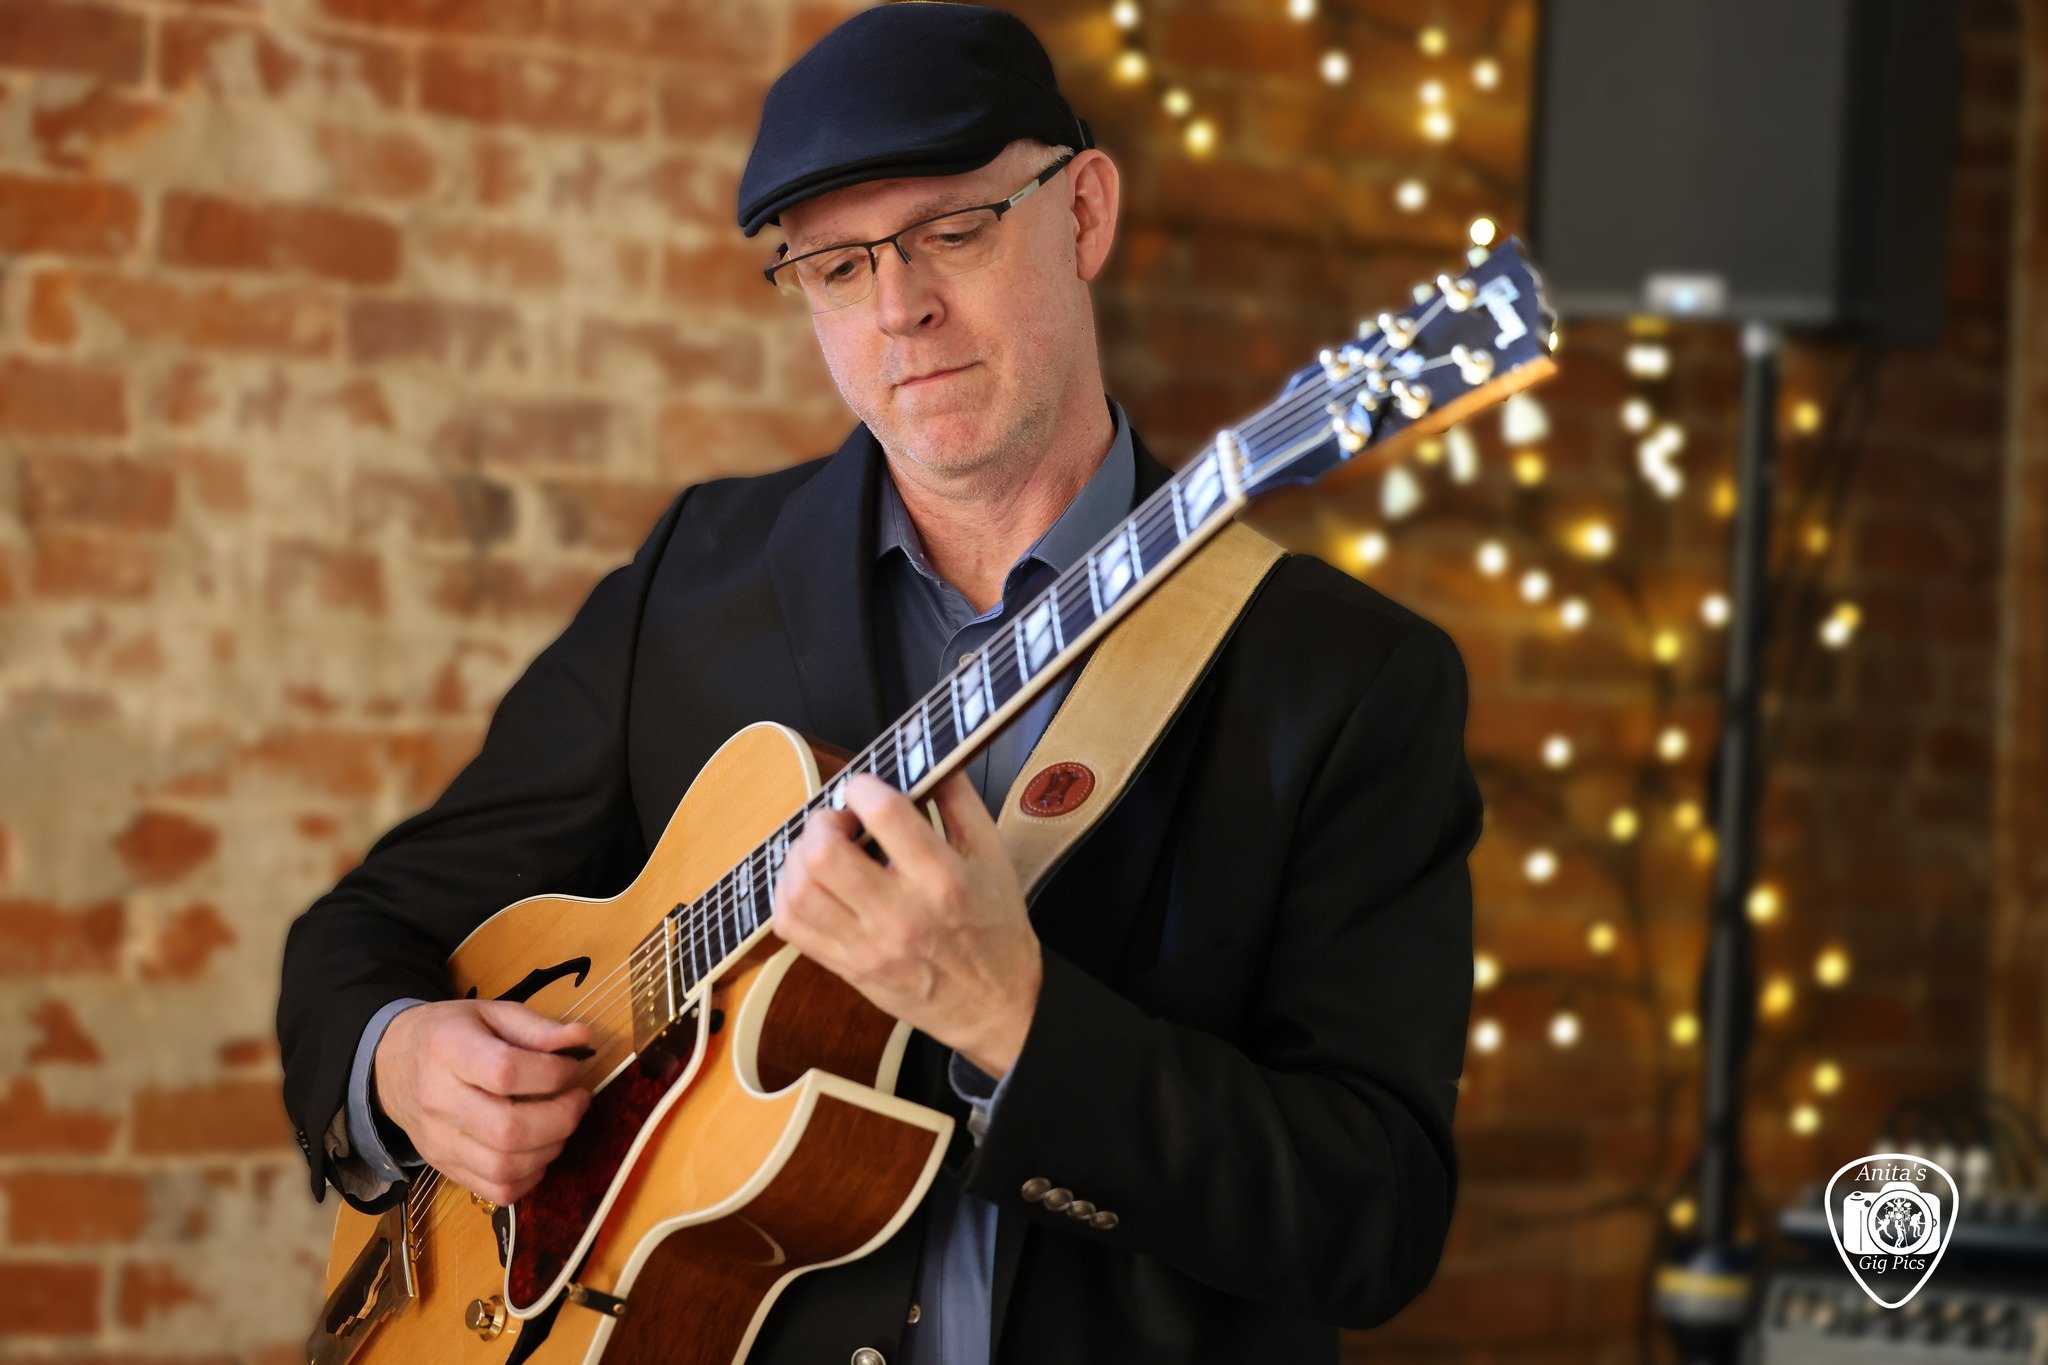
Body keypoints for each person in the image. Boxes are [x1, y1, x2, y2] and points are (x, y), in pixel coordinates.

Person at [276, 4, 1482, 1361]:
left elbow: (1372, 1214)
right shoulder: (700, 578)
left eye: (952, 232)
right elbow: (365, 928)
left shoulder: (1345, 680)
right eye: (836, 267)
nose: (899, 306)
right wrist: (399, 1062)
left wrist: (1014, 1019)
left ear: (1083, 213)